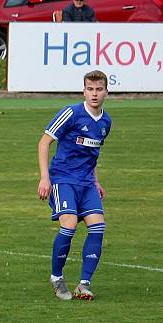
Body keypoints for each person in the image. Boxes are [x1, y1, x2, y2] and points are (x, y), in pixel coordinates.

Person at [38, 70, 111, 301]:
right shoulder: (71, 113)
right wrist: (44, 177)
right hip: (62, 179)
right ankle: (56, 278)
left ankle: (84, 284)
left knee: (98, 226)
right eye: (90, 89)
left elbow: (93, 154)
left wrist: (96, 180)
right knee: (69, 224)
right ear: (84, 91)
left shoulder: (106, 122)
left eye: (99, 89)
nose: (94, 94)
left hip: (87, 182)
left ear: (106, 92)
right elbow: (44, 142)